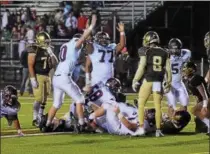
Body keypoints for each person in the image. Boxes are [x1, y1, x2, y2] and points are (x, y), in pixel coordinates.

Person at [43, 14, 97, 132]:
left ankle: (47, 125)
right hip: (64, 77)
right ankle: (82, 124)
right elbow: (82, 39)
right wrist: (91, 27)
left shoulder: (65, 46)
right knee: (80, 99)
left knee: (56, 104)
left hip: (57, 77)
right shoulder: (75, 44)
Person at [132, 31, 172, 137]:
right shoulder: (165, 52)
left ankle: (141, 128)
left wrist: (135, 79)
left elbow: (141, 67)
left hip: (148, 80)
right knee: (158, 106)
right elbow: (168, 69)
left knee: (141, 103)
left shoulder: (145, 51)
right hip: (158, 81)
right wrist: (168, 82)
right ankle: (158, 130)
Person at [83, 22, 125, 92]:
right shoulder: (94, 47)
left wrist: (122, 32)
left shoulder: (111, 47)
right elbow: (87, 66)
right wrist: (88, 30)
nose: (104, 40)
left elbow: (122, 45)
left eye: (105, 39)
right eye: (102, 39)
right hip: (96, 80)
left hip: (109, 80)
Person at [27, 31, 58, 127]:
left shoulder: (49, 49)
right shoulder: (34, 49)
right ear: (41, 41)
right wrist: (32, 78)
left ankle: (40, 114)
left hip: (47, 75)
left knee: (45, 98)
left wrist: (51, 53)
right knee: (39, 98)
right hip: (38, 75)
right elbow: (30, 65)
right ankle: (35, 115)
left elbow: (55, 63)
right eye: (46, 41)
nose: (48, 43)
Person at [182, 61, 210, 135]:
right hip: (204, 100)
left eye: (187, 69)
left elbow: (204, 95)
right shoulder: (190, 79)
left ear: (192, 70)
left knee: (194, 110)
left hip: (207, 99)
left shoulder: (195, 79)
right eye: (184, 69)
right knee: (201, 116)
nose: (184, 71)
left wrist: (204, 106)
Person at [165, 38, 191, 117]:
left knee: (185, 103)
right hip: (169, 83)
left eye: (177, 49)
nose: (175, 51)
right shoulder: (165, 56)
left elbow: (187, 64)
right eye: (173, 49)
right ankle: (168, 120)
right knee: (171, 105)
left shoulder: (186, 53)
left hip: (179, 83)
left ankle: (179, 121)